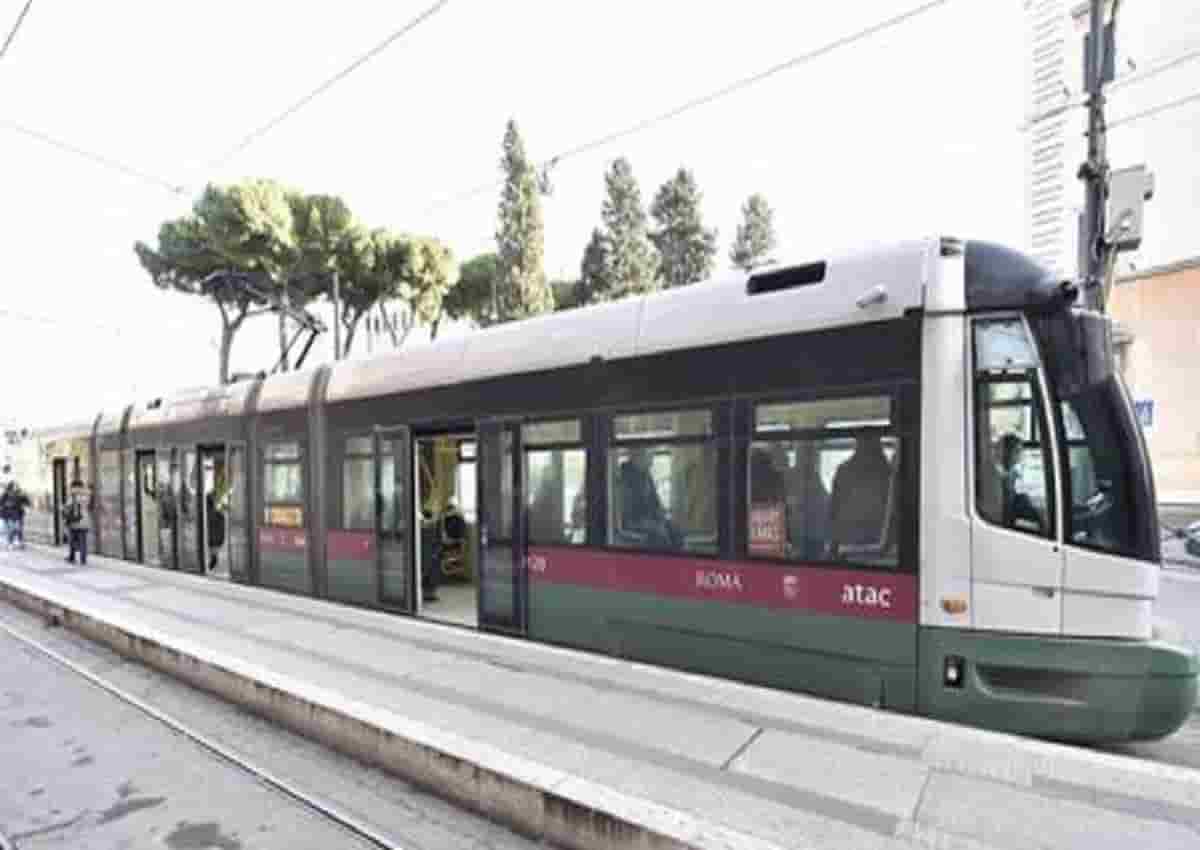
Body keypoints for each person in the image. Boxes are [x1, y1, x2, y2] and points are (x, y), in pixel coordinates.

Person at [63, 480, 91, 565]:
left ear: (75, 487)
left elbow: (67, 508)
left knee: (72, 540)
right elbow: (88, 506)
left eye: (72, 487)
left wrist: (63, 509)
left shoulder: (73, 496)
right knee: (83, 542)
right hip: (85, 521)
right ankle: (83, 559)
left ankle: (72, 557)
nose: (71, 489)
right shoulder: (86, 495)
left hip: (74, 521)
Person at [1, 481, 31, 549]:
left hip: (19, 514)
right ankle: (10, 543)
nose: (15, 488)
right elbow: (1, 503)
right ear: (10, 487)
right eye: (14, 486)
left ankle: (20, 542)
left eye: (16, 486)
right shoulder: (6, 494)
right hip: (9, 514)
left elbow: (27, 502)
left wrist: (26, 507)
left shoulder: (21, 494)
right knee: (12, 529)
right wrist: (6, 505)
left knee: (19, 529)